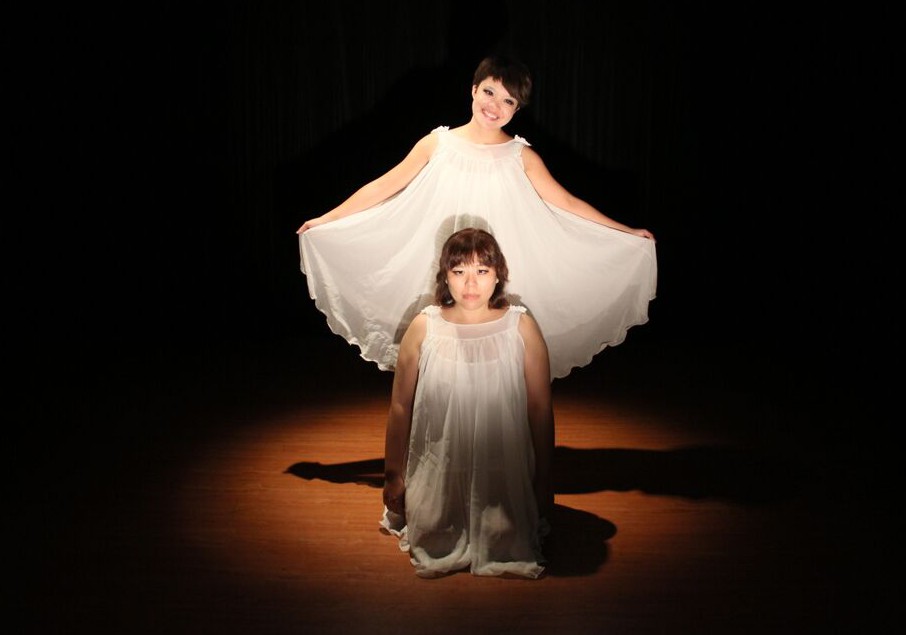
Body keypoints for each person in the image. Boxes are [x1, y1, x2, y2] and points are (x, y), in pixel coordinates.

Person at [297, 55, 657, 379]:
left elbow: (566, 201)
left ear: (517, 109)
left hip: (494, 265)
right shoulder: (437, 144)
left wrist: (625, 230)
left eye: (508, 100)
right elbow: (384, 185)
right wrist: (327, 219)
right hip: (446, 261)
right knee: (441, 345)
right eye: (489, 92)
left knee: (494, 349)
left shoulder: (520, 155)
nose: (495, 105)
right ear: (473, 89)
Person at [380, 228, 554, 578]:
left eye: (482, 271)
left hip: (503, 468)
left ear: (498, 275)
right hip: (440, 466)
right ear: (445, 276)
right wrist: (393, 474)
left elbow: (540, 408)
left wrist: (545, 478)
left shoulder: (521, 327)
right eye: (459, 271)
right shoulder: (424, 327)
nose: (470, 284)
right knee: (435, 536)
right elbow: (400, 406)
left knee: (508, 535)